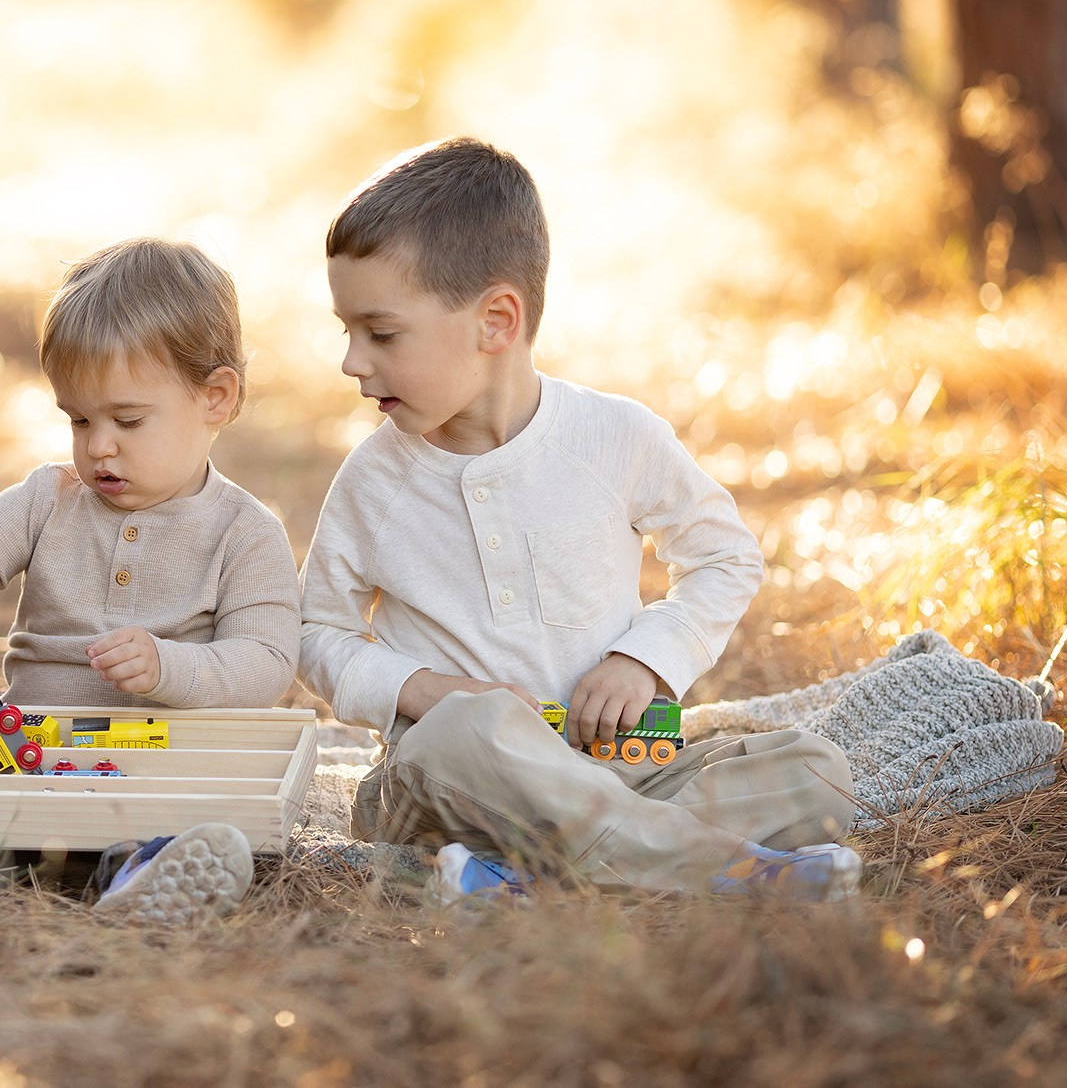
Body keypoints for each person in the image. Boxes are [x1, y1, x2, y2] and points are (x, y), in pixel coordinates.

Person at [297, 138, 862, 903]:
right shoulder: (375, 480)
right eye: (348, 332)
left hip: (617, 766)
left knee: (818, 772)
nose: (353, 362)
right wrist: (424, 690)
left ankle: (521, 876)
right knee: (468, 733)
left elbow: (723, 557)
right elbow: (315, 630)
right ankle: (721, 871)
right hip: (441, 792)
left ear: (497, 321)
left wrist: (644, 660)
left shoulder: (614, 438)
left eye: (381, 333)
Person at [0, 237, 301, 923]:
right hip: (28, 758)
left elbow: (268, 663)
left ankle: (141, 876)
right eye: (79, 419)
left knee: (172, 823)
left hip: (155, 763)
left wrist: (170, 665)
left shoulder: (245, 532)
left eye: (128, 420)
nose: (99, 444)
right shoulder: (49, 499)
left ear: (216, 398)